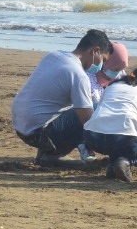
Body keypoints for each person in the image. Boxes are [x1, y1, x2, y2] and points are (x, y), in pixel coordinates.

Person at [11, 29, 113, 166]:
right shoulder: (78, 75)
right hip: (37, 133)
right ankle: (53, 156)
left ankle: (47, 152)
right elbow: (88, 122)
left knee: (78, 106)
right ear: (95, 51)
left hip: (21, 125)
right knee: (97, 109)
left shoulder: (54, 55)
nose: (101, 66)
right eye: (103, 60)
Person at [76, 40, 131, 162]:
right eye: (113, 67)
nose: (115, 72)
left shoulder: (119, 73)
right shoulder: (87, 73)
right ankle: (85, 147)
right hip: (87, 113)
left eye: (118, 69)